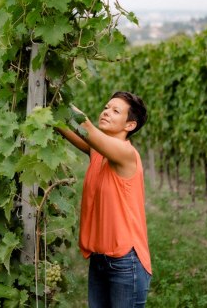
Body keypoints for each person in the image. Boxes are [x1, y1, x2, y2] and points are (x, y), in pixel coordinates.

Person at [56, 92, 152, 308]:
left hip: (126, 263)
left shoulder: (125, 154)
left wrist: (56, 90)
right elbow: (60, 126)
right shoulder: (97, 150)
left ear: (130, 125)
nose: (106, 112)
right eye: (107, 107)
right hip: (100, 259)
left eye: (115, 111)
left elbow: (86, 128)